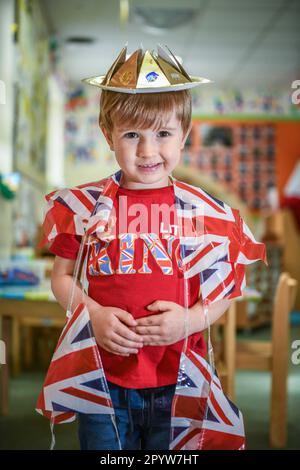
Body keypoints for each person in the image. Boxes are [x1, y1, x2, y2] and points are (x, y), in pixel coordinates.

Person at [39, 45, 266, 450]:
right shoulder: (83, 207)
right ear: (108, 134)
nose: (147, 151)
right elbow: (61, 277)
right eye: (132, 135)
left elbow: (225, 289)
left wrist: (191, 321)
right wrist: (92, 314)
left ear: (185, 135)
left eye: (162, 134)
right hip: (103, 379)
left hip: (179, 378)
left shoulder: (208, 214)